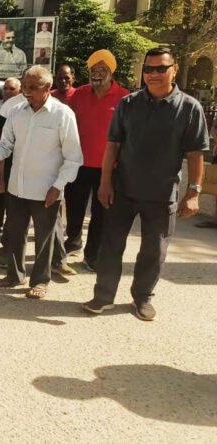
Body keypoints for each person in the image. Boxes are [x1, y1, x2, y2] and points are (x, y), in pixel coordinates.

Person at [82, 47, 210, 321]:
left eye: (161, 68)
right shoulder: (129, 104)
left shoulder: (190, 108)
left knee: (154, 251)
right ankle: (103, 296)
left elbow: (196, 153)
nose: (153, 74)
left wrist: (193, 192)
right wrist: (105, 183)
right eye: (149, 69)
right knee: (110, 245)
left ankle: (142, 298)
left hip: (162, 194)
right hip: (123, 190)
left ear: (174, 70)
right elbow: (113, 146)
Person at [0, 65, 82, 299]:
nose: (26, 92)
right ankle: (14, 275)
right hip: (17, 187)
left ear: (48, 87)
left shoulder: (62, 114)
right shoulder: (17, 112)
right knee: (15, 234)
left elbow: (73, 158)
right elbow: (6, 144)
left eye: (32, 87)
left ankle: (40, 281)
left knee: (44, 239)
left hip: (47, 189)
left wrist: (58, 186)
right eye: (24, 86)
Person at [63, 50, 129, 271]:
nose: (97, 73)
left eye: (102, 69)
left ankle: (92, 255)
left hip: (109, 167)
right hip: (79, 164)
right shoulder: (79, 94)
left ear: (111, 71)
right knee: (74, 208)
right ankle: (73, 242)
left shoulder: (124, 97)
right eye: (93, 69)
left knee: (101, 214)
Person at [0, 77, 21, 237]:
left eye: (12, 89)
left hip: (21, 159)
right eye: (5, 88)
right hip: (3, 157)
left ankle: (12, 228)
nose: (7, 91)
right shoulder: (5, 107)